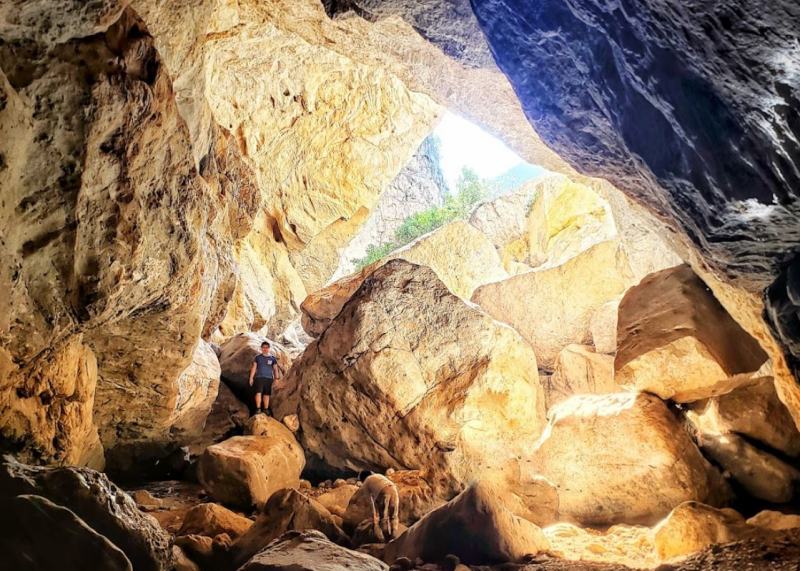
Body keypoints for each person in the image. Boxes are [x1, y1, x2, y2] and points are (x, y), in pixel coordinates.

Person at [359, 470, 400, 542]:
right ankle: (394, 535)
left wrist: (374, 514)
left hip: (383, 492)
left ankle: (387, 539)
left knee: (383, 518)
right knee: (394, 515)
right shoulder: (378, 475)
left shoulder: (366, 482)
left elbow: (369, 501)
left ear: (362, 479)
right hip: (393, 488)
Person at [248, 341, 283, 415]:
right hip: (259, 378)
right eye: (263, 347)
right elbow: (254, 368)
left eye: (266, 347)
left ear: (269, 348)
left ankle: (266, 409)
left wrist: (276, 379)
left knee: (267, 394)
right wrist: (251, 378)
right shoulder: (257, 357)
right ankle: (258, 409)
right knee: (258, 393)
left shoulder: (272, 358)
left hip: (269, 379)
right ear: (261, 348)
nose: (265, 349)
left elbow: (275, 369)